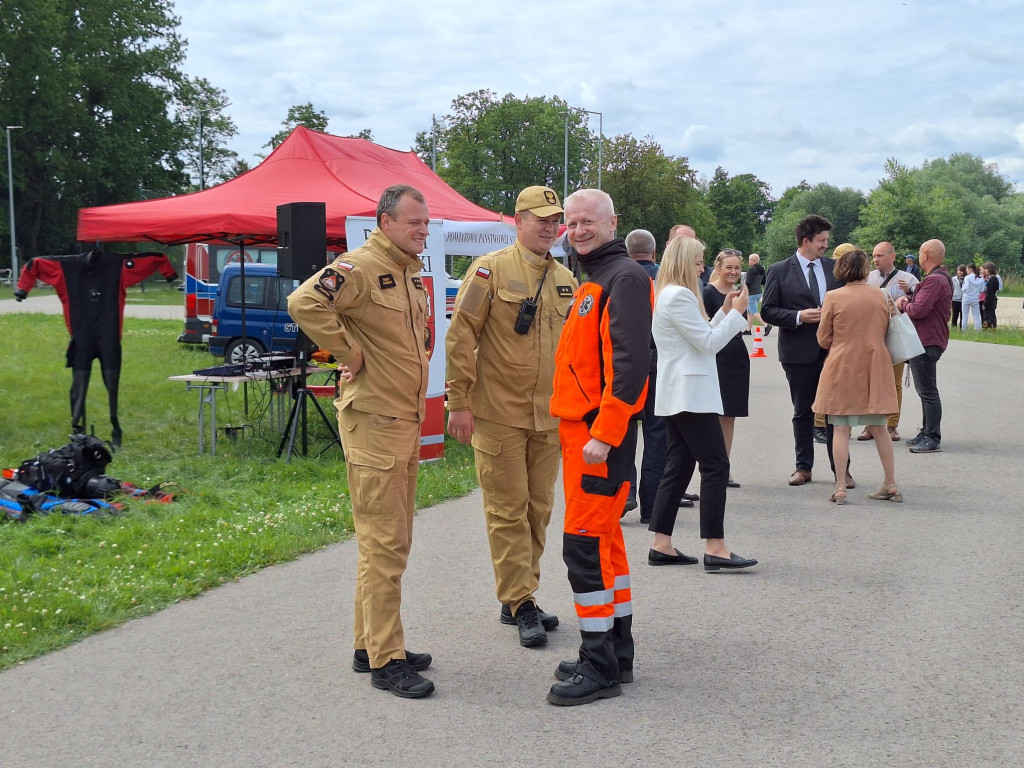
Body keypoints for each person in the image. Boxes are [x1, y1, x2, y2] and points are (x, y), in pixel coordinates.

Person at [287, 185, 435, 699]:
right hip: (375, 421)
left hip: (401, 419)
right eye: (414, 222)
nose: (422, 231)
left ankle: (367, 644)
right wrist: (348, 352)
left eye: (426, 223)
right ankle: (386, 661)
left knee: (385, 543)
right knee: (385, 545)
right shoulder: (360, 266)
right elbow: (303, 301)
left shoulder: (409, 271)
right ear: (386, 221)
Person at [445, 185, 577, 649]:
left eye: (554, 218)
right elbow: (460, 336)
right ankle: (520, 601)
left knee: (538, 510)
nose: (548, 226)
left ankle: (520, 594)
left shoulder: (566, 279)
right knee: (506, 510)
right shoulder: (490, 270)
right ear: (518, 221)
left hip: (549, 416)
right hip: (498, 413)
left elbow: (574, 352)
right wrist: (458, 402)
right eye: (538, 218)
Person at [548, 189, 652, 706]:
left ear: (613, 221)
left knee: (584, 549)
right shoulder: (597, 279)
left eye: (588, 220)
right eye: (572, 221)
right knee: (606, 545)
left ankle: (599, 665)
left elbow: (632, 370)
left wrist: (605, 435)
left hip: (596, 440)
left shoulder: (624, 279)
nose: (579, 229)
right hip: (582, 435)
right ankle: (616, 652)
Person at [647, 236, 758, 572]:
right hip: (690, 392)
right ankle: (716, 546)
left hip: (680, 391)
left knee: (679, 465)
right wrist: (738, 315)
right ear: (684, 263)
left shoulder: (670, 294)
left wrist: (725, 311)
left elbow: (700, 336)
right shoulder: (679, 295)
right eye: (698, 262)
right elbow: (709, 344)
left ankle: (662, 543)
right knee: (715, 465)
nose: (703, 267)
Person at [761, 215, 853, 489]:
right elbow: (767, 310)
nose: (826, 245)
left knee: (837, 413)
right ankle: (803, 467)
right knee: (802, 411)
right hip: (797, 352)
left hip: (833, 352)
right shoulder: (779, 270)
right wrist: (800, 316)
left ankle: (842, 470)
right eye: (822, 240)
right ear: (806, 241)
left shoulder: (835, 268)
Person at [812, 249, 901, 505]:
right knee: (880, 429)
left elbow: (823, 338)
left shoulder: (833, 297)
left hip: (843, 364)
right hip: (875, 365)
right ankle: (890, 482)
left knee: (840, 428)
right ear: (864, 270)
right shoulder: (881, 296)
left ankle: (840, 486)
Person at [623, 228, 668, 523]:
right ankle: (652, 506)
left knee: (622, 434)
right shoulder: (666, 280)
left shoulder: (617, 276)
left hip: (623, 365)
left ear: (628, 253)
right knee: (657, 436)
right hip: (659, 363)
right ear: (653, 253)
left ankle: (624, 493)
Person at [858, 241, 919, 443]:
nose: (876, 260)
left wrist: (908, 294)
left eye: (880, 256)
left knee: (894, 383)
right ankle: (870, 426)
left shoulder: (908, 279)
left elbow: (918, 307)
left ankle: (892, 426)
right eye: (874, 256)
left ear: (893, 257)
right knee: (869, 383)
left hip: (894, 336)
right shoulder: (868, 278)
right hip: (870, 336)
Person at [896, 239, 953, 454]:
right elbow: (924, 303)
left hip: (927, 341)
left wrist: (903, 303)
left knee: (927, 391)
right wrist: (911, 295)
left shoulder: (935, 280)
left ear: (926, 254)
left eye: (920, 253)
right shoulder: (939, 277)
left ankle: (932, 436)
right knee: (924, 390)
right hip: (927, 339)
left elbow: (919, 310)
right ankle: (926, 430)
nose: (919, 257)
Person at [703, 250, 750, 487]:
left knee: (729, 415)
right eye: (729, 267)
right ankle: (711, 467)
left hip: (736, 357)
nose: (733, 272)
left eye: (737, 268)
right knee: (712, 415)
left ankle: (725, 467)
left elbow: (747, 322)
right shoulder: (708, 292)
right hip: (715, 356)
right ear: (718, 268)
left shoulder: (741, 292)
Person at [743, 252, 771, 335]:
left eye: (749, 260)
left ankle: (766, 326)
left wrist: (741, 290)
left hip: (751, 293)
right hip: (758, 292)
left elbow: (748, 282)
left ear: (753, 261)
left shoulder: (752, 270)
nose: (748, 261)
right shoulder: (762, 269)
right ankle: (748, 330)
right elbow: (764, 281)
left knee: (754, 311)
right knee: (749, 312)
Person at [960, 264, 984, 331]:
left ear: (970, 269)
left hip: (966, 297)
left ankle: (964, 330)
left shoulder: (967, 277)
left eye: (967, 269)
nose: (966, 270)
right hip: (975, 298)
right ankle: (978, 330)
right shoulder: (980, 278)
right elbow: (982, 289)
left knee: (965, 316)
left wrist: (962, 290)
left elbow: (966, 287)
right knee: (976, 315)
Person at [981, 261, 999, 328]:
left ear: (989, 270)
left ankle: (988, 328)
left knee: (988, 316)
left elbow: (990, 294)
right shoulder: (994, 279)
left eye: (985, 269)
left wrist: (985, 304)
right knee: (991, 315)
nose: (985, 271)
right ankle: (991, 328)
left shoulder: (992, 280)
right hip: (992, 300)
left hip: (990, 301)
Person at [950, 264, 966, 329]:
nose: (959, 272)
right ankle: (953, 327)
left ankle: (962, 328)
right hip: (955, 299)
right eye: (958, 270)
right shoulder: (954, 279)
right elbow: (951, 288)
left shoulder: (967, 279)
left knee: (963, 315)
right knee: (955, 315)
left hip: (964, 299)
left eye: (961, 271)